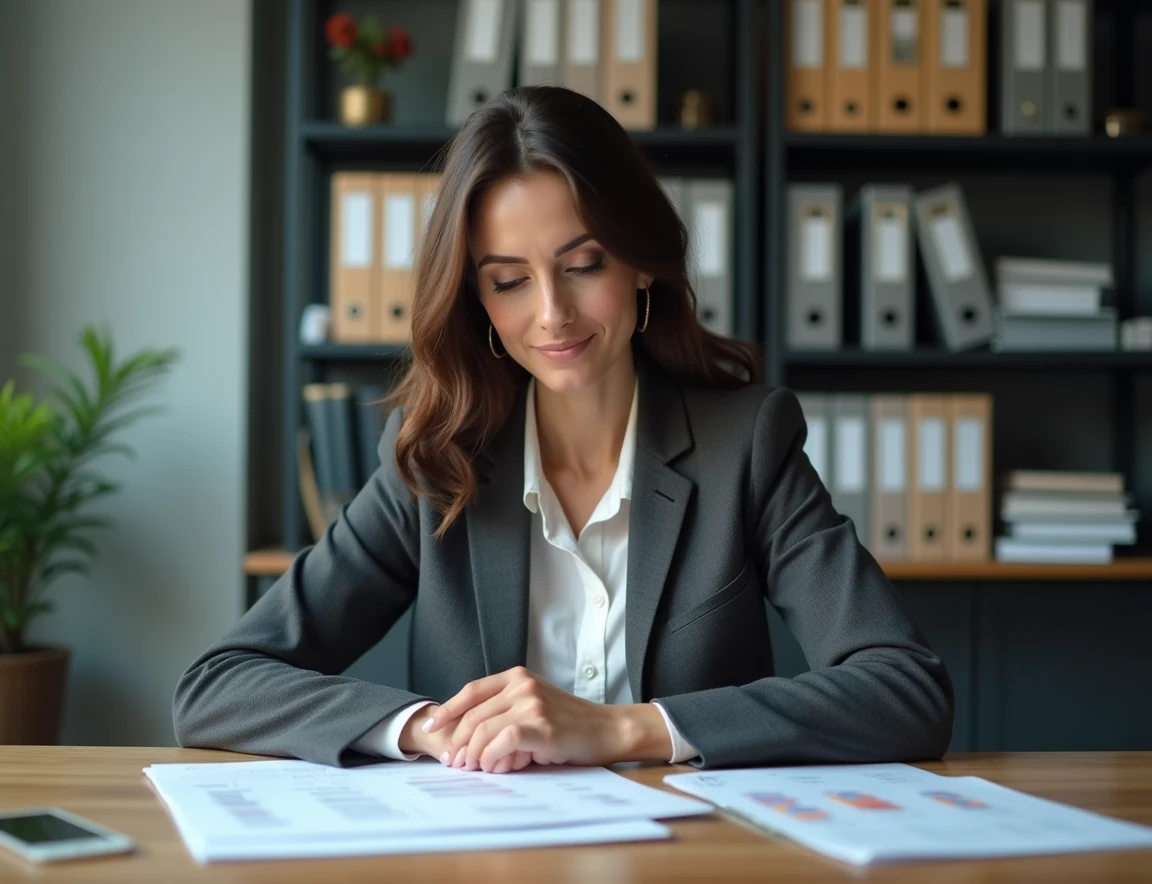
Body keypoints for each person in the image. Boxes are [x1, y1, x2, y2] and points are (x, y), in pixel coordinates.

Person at [173, 85, 953, 774]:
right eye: (509, 281)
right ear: (477, 300)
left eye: (583, 265)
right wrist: (425, 730)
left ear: (642, 262)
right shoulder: (435, 459)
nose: (551, 314)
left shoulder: (745, 445)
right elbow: (217, 685)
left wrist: (623, 729)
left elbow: (906, 688)